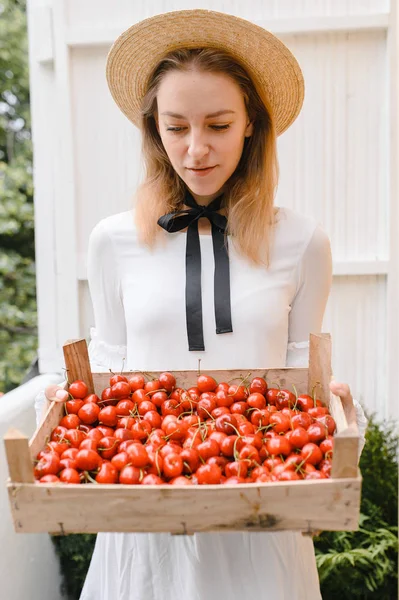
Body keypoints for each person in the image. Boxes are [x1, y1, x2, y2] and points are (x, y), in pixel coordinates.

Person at [75, 9, 368, 600]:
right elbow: (108, 374)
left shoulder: (303, 242)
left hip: (261, 513)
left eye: (218, 124)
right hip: (147, 515)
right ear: (153, 128)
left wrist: (334, 414)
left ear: (252, 125)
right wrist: (75, 403)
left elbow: (303, 383)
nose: (196, 148)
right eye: (176, 126)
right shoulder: (112, 240)